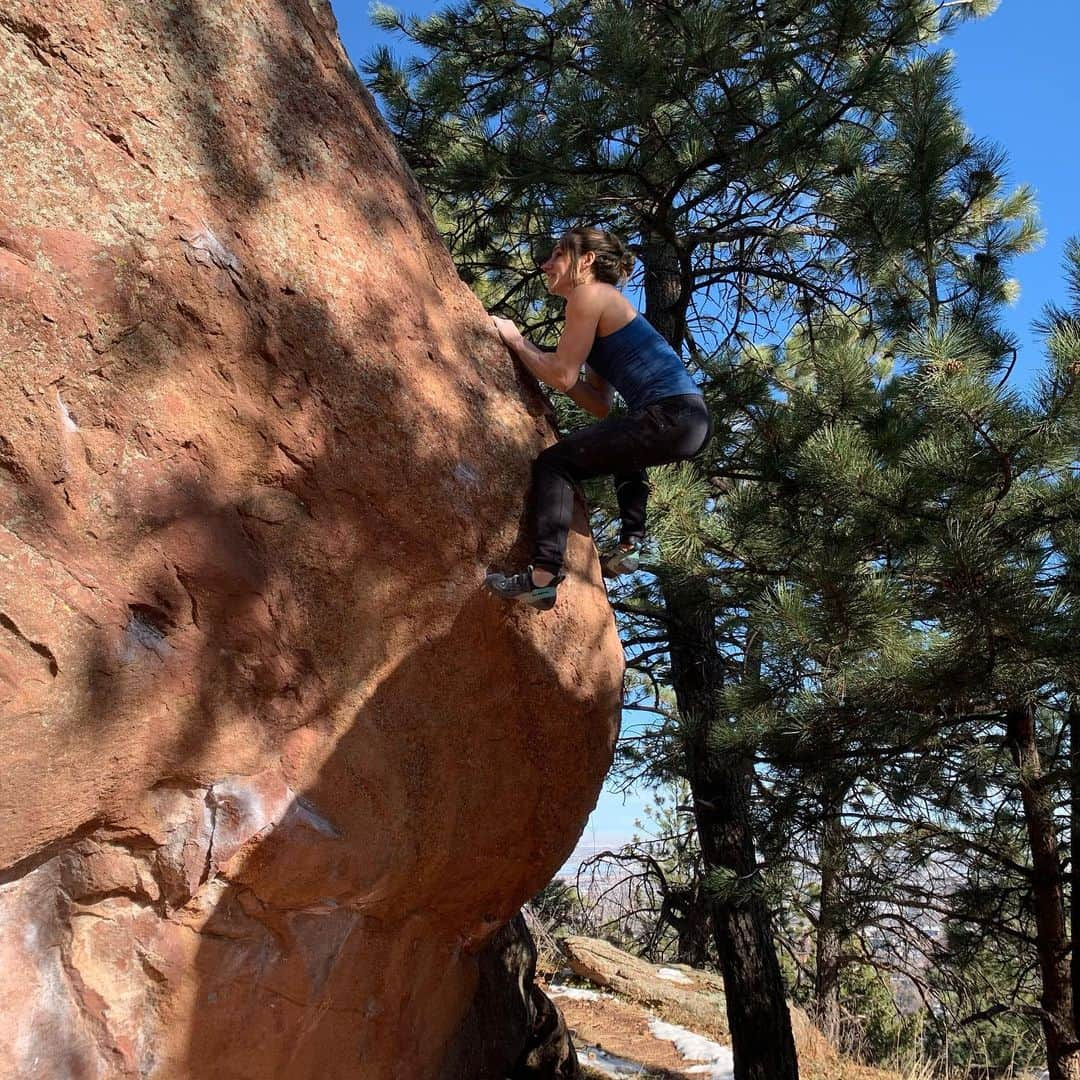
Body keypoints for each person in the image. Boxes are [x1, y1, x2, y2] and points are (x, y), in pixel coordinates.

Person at [485, 226, 711, 610]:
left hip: (672, 412)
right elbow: (598, 402)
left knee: (556, 464)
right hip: (688, 420)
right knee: (620, 438)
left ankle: (542, 578)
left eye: (558, 254)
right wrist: (544, 360)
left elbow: (561, 376)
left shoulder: (588, 294)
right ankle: (631, 543)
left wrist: (517, 341)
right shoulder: (603, 306)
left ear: (585, 261)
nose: (545, 265)